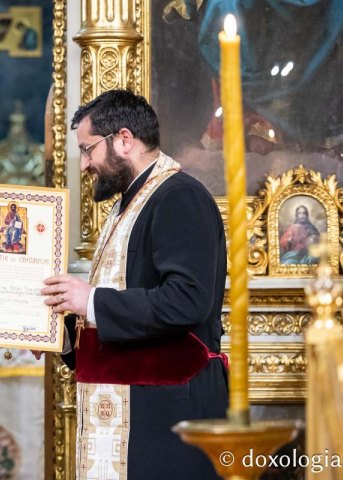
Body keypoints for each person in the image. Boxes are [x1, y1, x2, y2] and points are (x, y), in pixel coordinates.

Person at [38, 89, 228, 479]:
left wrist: (91, 301)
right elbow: (126, 317)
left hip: (170, 419)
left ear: (124, 140)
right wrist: (67, 339)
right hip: (143, 411)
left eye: (88, 150)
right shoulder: (129, 204)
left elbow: (187, 301)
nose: (85, 165)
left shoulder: (179, 196)